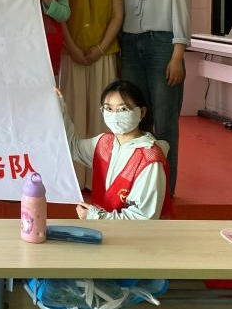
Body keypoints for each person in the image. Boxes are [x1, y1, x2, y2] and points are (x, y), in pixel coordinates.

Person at [121, 0, 190, 195]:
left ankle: (164, 189)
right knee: (135, 117)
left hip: (162, 47)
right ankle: (138, 185)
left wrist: (177, 55)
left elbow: (182, 16)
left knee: (164, 119)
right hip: (129, 47)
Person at [59, 0, 127, 189]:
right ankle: (74, 178)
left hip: (104, 55)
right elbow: (59, 17)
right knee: (73, 115)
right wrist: (73, 49)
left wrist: (100, 48)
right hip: (71, 55)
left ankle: (101, 178)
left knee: (103, 116)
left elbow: (118, 16)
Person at [61, 80, 173, 220]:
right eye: (108, 109)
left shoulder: (149, 160)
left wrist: (96, 217)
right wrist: (59, 107)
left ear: (142, 112)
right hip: (104, 229)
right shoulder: (104, 144)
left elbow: (143, 219)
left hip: (135, 233)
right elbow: (71, 146)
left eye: (123, 109)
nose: (115, 115)